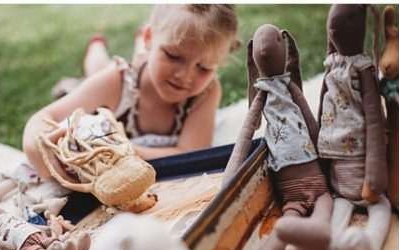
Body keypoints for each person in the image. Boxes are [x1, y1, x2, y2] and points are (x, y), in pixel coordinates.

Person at [22, 4, 242, 181]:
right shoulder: (116, 82)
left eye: (203, 68)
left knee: (121, 70)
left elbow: (191, 154)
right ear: (150, 39)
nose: (185, 76)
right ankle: (95, 45)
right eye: (173, 56)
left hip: (145, 70)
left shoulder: (206, 92)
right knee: (98, 69)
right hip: (114, 82)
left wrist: (115, 149)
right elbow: (40, 121)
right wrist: (39, 144)